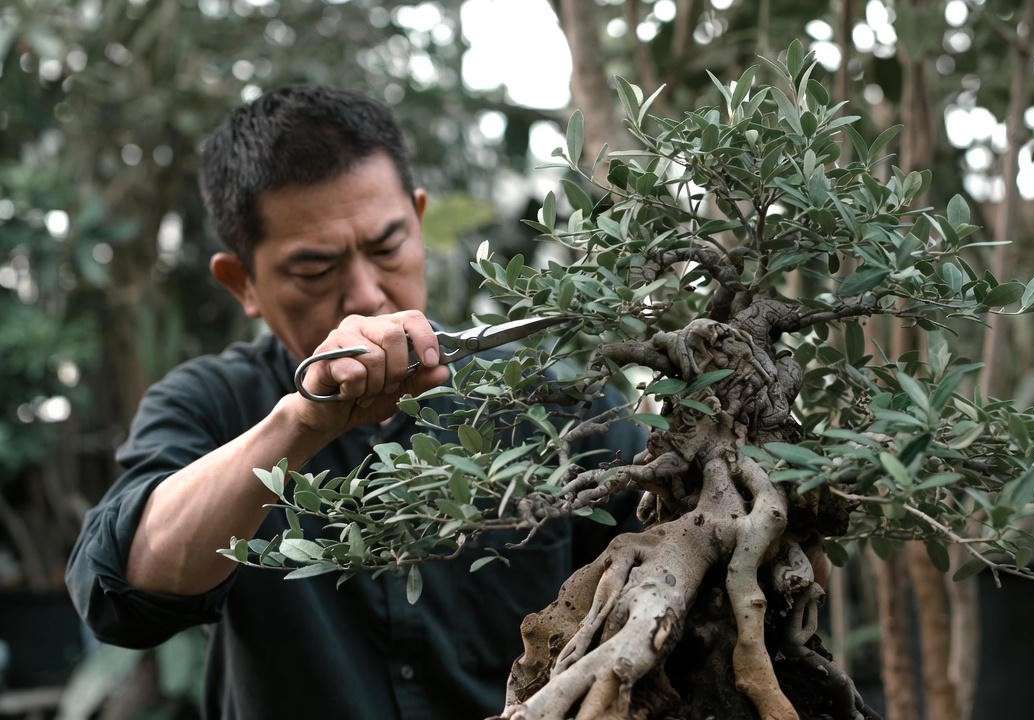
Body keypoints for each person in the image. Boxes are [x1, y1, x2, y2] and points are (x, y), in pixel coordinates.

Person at [65, 85, 644, 719]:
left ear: (419, 221)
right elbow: (116, 590)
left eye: (387, 247)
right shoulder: (211, 405)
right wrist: (300, 423)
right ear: (242, 283)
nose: (367, 295)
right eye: (315, 270)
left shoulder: (559, 402)